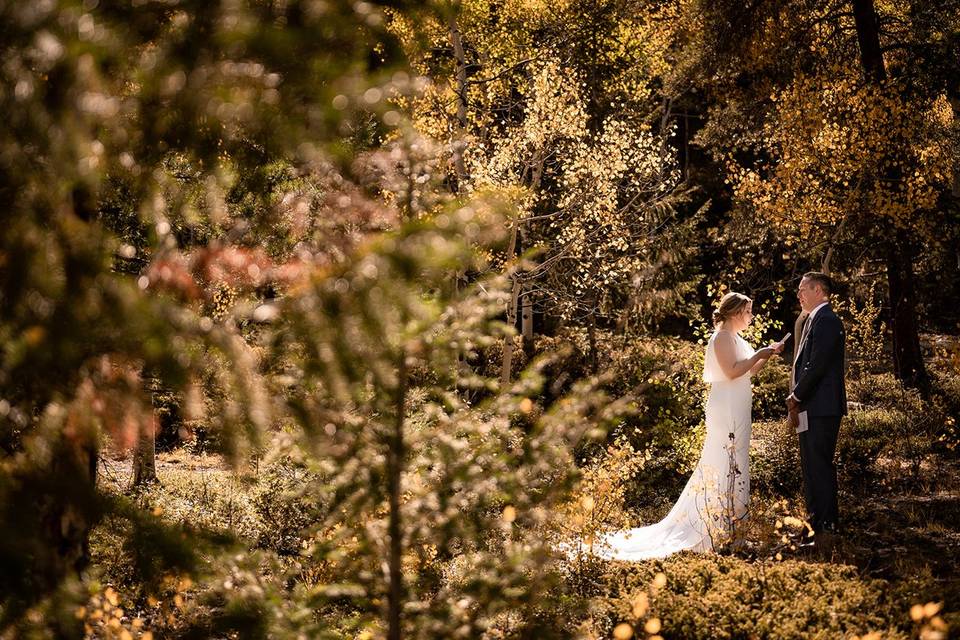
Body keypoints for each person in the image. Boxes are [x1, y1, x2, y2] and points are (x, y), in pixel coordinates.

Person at [590, 292, 785, 560]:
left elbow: (748, 371)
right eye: (749, 312)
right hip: (726, 404)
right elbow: (731, 371)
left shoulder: (736, 338)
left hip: (738, 401)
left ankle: (733, 526)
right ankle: (716, 524)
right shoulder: (722, 337)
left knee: (737, 458)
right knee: (723, 459)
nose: (751, 317)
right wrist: (758, 354)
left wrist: (767, 355)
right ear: (736, 312)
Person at [787, 272, 846, 541]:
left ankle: (826, 526)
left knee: (819, 466)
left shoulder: (827, 320)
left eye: (803, 289)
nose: (799, 294)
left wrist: (796, 396)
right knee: (811, 467)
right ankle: (814, 524)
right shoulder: (815, 319)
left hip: (822, 407)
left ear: (819, 290)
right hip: (811, 407)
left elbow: (817, 366)